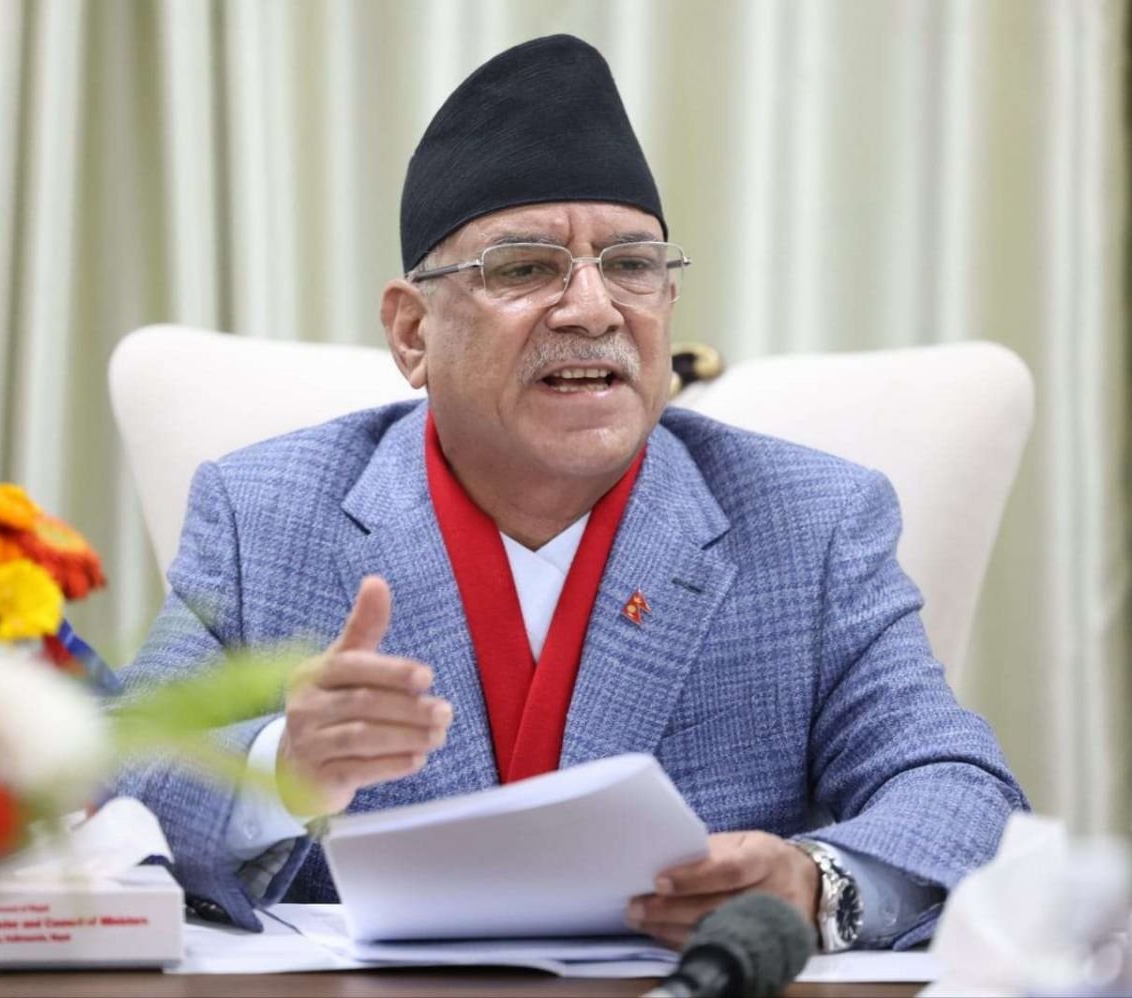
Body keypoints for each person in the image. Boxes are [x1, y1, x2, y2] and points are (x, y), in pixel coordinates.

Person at [114, 34, 1026, 951]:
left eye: (631, 265)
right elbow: (116, 784)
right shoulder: (265, 516)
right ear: (412, 333)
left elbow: (961, 790)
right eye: (524, 267)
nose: (593, 310)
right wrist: (282, 766)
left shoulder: (808, 523)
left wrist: (817, 883)